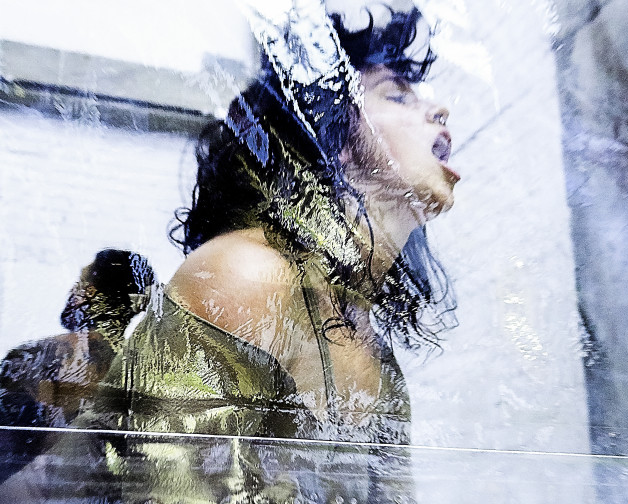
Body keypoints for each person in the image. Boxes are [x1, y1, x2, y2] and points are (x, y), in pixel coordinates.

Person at [1, 5, 459, 502]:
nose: (439, 110)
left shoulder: (377, 359)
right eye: (397, 95)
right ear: (335, 139)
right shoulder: (248, 276)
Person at [0, 249, 155, 483]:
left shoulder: (30, 358)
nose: (73, 289)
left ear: (90, 293)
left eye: (82, 282)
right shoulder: (141, 376)